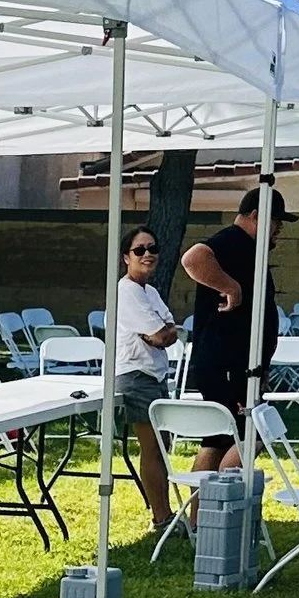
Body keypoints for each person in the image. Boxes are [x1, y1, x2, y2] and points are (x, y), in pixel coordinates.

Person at [179, 187, 295, 474]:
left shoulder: (247, 249)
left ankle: (199, 518)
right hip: (227, 363)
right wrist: (230, 287)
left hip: (233, 363)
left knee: (217, 439)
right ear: (256, 216)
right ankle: (221, 498)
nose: (278, 230)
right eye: (276, 223)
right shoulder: (233, 240)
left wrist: (263, 365)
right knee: (252, 435)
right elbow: (193, 258)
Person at [111, 224, 181, 527]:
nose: (147, 254)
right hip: (135, 375)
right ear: (126, 257)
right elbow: (160, 333)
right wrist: (160, 335)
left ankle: (164, 512)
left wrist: (161, 335)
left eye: (152, 249)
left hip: (155, 375)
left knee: (162, 445)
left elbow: (170, 333)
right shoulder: (126, 291)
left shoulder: (149, 291)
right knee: (151, 447)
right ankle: (161, 517)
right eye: (139, 250)